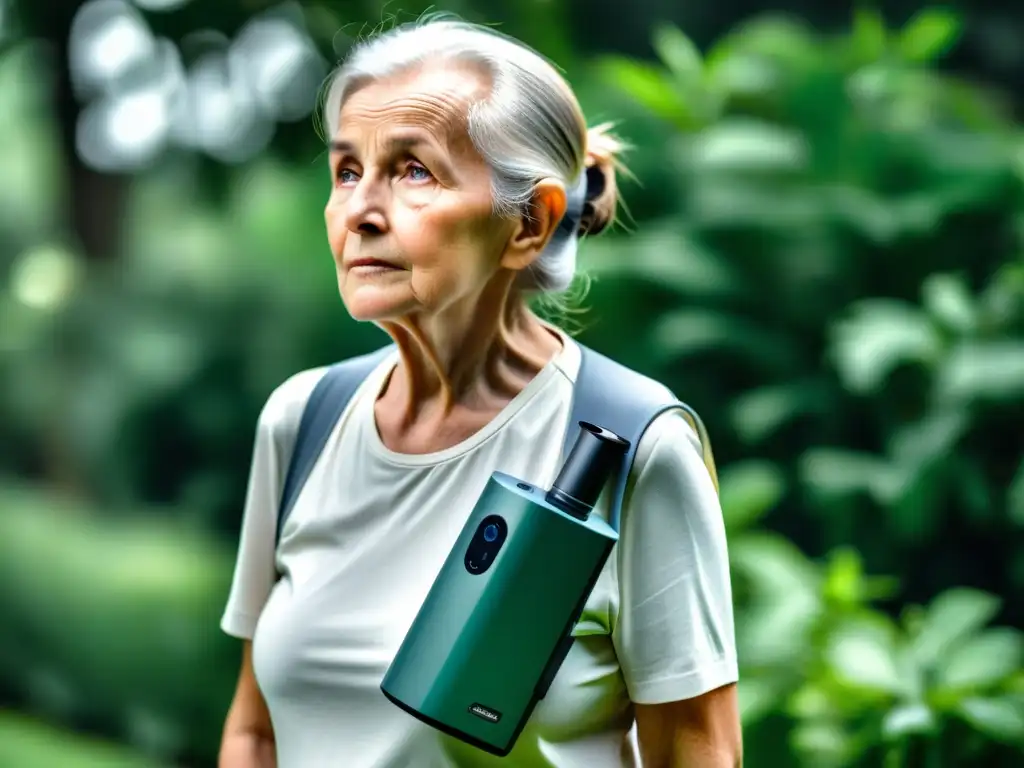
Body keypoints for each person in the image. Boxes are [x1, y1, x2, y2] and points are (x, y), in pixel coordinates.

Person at [217, 15, 741, 768]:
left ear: (528, 223)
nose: (361, 210)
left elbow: (699, 754)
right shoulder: (303, 420)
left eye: (413, 171)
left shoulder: (635, 445)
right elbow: (255, 732)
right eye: (346, 171)